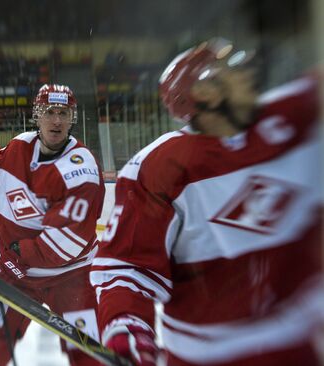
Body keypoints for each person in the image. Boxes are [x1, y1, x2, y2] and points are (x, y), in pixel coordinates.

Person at [90, 38, 323, 366]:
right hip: (205, 356)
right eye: (230, 69)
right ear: (206, 94)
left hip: (297, 344)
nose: (245, 73)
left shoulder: (287, 119)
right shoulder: (162, 166)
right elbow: (126, 264)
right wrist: (125, 324)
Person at [0, 84, 105, 365]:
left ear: (73, 117)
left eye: (64, 112)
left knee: (87, 354)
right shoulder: (19, 145)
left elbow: (68, 241)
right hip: (19, 279)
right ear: (37, 115)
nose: (57, 120)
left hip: (71, 278)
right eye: (49, 112)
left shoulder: (81, 168)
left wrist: (9, 263)